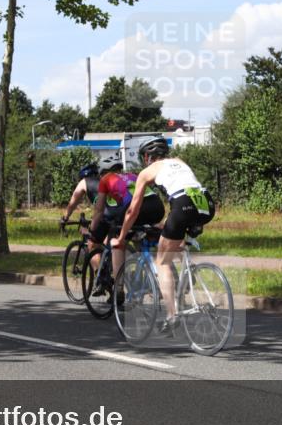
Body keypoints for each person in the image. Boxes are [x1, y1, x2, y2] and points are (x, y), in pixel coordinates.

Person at [111, 137, 215, 329]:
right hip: (206, 204)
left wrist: (121, 236)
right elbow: (184, 189)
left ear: (148, 156)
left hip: (183, 206)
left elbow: (133, 210)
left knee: (162, 261)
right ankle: (187, 274)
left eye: (144, 157)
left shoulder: (147, 171)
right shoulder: (180, 162)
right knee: (175, 240)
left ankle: (171, 315)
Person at [91, 151, 165, 293]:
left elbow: (99, 210)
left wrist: (93, 231)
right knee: (143, 234)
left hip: (136, 207)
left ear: (103, 173)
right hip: (157, 206)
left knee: (117, 240)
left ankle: (118, 291)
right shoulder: (132, 175)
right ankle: (149, 265)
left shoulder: (105, 180)